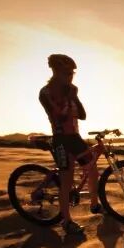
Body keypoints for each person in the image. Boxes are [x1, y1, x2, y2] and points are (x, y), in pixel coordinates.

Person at [39, 54, 102, 234]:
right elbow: (58, 117)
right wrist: (68, 98)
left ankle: (94, 204)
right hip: (61, 139)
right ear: (55, 71)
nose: (70, 76)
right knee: (66, 181)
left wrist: (74, 97)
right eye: (67, 73)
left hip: (75, 137)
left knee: (92, 169)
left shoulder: (71, 90)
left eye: (72, 73)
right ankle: (66, 222)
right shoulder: (46, 92)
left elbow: (82, 115)